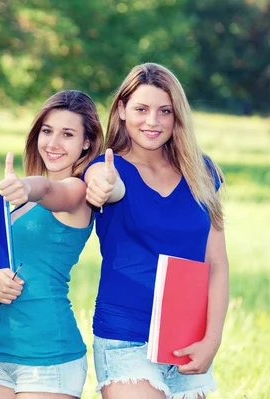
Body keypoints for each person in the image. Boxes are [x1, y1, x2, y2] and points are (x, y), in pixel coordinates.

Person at [84, 62, 228, 399]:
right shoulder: (107, 168)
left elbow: (217, 263)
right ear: (121, 110)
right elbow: (106, 184)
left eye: (165, 111)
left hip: (187, 337)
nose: (153, 121)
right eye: (141, 109)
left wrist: (213, 339)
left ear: (178, 115)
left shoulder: (201, 171)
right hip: (125, 337)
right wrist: (102, 186)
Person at [0, 90, 104, 399]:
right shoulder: (18, 205)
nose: (53, 142)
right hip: (2, 351)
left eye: (68, 134)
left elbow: (48, 189)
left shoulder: (77, 191)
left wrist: (25, 186)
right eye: (47, 131)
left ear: (86, 142)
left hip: (49, 354)